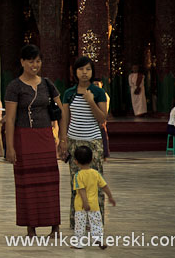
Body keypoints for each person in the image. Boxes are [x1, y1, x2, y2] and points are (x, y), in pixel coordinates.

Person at [4, 44, 65, 237]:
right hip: (24, 137)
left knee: (50, 181)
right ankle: (31, 227)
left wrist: (63, 139)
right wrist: (10, 148)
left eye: (38, 61)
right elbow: (11, 119)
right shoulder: (14, 87)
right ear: (22, 62)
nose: (35, 65)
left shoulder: (47, 84)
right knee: (27, 183)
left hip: (45, 137)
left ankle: (54, 226)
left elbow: (61, 111)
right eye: (31, 61)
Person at [61, 56, 108, 230]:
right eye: (81, 69)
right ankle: (77, 221)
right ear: (75, 72)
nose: (84, 73)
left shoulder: (98, 93)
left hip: (93, 141)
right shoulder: (69, 93)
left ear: (92, 72)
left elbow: (102, 118)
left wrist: (90, 101)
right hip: (74, 141)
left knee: (95, 182)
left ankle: (95, 221)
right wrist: (63, 140)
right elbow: (65, 117)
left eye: (88, 69)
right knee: (77, 183)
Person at [71, 145, 116, 249]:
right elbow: (104, 186)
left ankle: (79, 243)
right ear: (92, 159)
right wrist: (110, 197)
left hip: (81, 205)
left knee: (79, 225)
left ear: (76, 161)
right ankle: (98, 239)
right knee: (96, 223)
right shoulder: (96, 173)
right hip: (94, 205)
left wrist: (85, 203)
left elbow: (81, 190)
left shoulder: (78, 175)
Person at [93, 79, 110, 158]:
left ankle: (104, 154)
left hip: (100, 119)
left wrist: (102, 119)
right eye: (94, 84)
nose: (96, 86)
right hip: (93, 119)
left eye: (97, 84)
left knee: (102, 136)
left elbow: (105, 108)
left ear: (101, 84)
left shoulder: (103, 94)